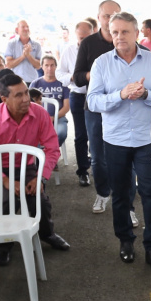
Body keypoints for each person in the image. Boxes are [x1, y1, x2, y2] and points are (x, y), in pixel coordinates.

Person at [87, 12, 151, 272]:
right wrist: (120, 94)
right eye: (115, 32)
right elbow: (93, 101)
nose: (119, 37)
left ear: (136, 34)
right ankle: (126, 241)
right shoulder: (101, 64)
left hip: (146, 139)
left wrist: (144, 93)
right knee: (120, 194)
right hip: (116, 139)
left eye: (125, 32)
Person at [0, 73, 71, 267]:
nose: (26, 98)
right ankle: (4, 245)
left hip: (27, 167)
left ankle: (47, 234)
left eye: (26, 92)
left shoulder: (40, 113)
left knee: (39, 200)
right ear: (4, 99)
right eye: (18, 95)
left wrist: (40, 178)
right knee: (4, 201)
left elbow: (52, 149)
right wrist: (4, 180)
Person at [74, 0, 136, 214]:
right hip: (96, 109)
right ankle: (102, 193)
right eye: (106, 16)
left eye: (115, 15)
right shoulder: (89, 43)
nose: (110, 20)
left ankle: (129, 206)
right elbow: (78, 77)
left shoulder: (128, 41)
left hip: (126, 109)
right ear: (98, 17)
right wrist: (97, 73)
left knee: (129, 159)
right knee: (99, 157)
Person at [56, 20, 93, 186]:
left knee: (101, 134)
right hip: (78, 95)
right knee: (80, 135)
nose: (83, 41)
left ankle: (103, 170)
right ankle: (83, 171)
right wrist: (73, 77)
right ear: (75, 36)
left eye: (86, 38)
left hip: (97, 95)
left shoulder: (99, 50)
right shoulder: (69, 50)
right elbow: (59, 72)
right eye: (80, 37)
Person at [29, 55, 70, 147]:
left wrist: (53, 117)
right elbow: (29, 104)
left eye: (52, 65)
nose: (49, 68)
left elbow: (67, 107)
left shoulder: (63, 84)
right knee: (30, 135)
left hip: (58, 118)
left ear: (56, 67)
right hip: (37, 119)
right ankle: (41, 156)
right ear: (42, 67)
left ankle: (50, 155)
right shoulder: (35, 83)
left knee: (61, 133)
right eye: (46, 65)